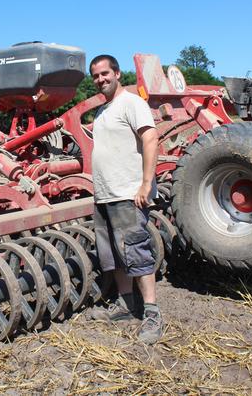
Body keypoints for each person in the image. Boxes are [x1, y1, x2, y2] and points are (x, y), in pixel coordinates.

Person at [87, 54, 163, 344]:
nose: (100, 79)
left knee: (137, 252)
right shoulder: (102, 111)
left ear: (117, 73)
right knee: (116, 256)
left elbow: (150, 138)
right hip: (105, 195)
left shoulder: (132, 103)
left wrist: (146, 183)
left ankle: (152, 314)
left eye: (105, 73)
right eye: (95, 76)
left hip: (127, 193)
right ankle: (126, 304)